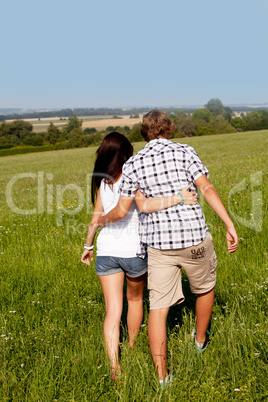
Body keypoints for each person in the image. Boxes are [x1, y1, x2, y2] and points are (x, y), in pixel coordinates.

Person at [98, 112, 239, 386]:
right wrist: (228, 223)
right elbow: (206, 188)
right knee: (205, 288)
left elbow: (124, 208)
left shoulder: (134, 163)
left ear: (144, 133)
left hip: (158, 245)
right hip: (193, 237)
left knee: (158, 308)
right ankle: (200, 341)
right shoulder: (186, 151)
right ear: (169, 128)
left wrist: (99, 222)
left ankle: (162, 377)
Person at [81, 131, 197, 381]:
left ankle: (114, 366)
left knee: (112, 309)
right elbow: (146, 206)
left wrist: (88, 246)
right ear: (126, 153)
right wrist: (180, 198)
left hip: (107, 252)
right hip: (134, 251)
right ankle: (132, 346)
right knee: (135, 301)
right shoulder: (135, 177)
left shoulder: (103, 182)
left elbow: (95, 218)